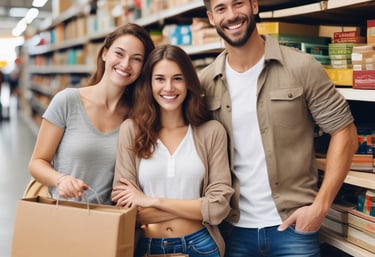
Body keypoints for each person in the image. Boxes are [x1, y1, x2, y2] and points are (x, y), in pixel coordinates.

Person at [198, 0, 359, 256]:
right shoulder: (204, 83)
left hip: (294, 228)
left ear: (254, 5)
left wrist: (320, 207)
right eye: (221, 8)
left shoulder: (301, 67)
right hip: (232, 230)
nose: (231, 15)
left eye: (238, 3)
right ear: (211, 17)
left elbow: (345, 133)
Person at [111, 44, 234, 257]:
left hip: (201, 247)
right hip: (148, 248)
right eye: (160, 79)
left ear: (188, 82)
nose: (169, 87)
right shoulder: (131, 130)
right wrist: (196, 209)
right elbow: (125, 208)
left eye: (177, 78)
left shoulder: (210, 132)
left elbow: (218, 207)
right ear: (149, 83)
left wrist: (152, 201)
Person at [28, 23, 155, 205]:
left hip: (109, 222)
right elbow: (37, 162)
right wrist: (60, 179)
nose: (125, 64)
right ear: (105, 54)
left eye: (136, 59)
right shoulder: (67, 101)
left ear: (143, 67)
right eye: (119, 53)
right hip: (64, 216)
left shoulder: (138, 116)